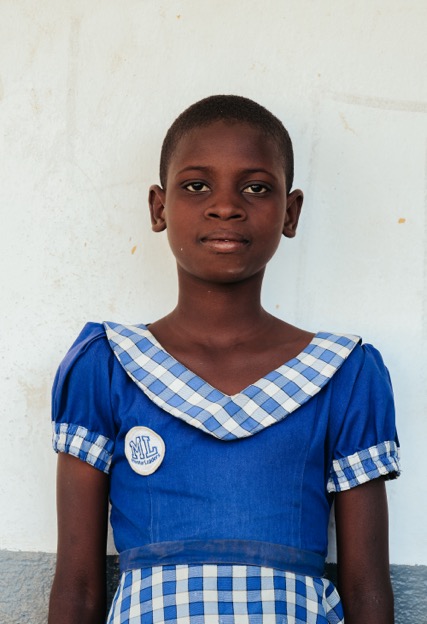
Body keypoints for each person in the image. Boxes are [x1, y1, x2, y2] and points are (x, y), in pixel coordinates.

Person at [48, 95, 400, 624]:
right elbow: (77, 587)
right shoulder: (108, 365)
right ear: (159, 208)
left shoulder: (342, 372)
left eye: (256, 188)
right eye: (196, 186)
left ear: (291, 212)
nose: (226, 206)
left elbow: (366, 586)